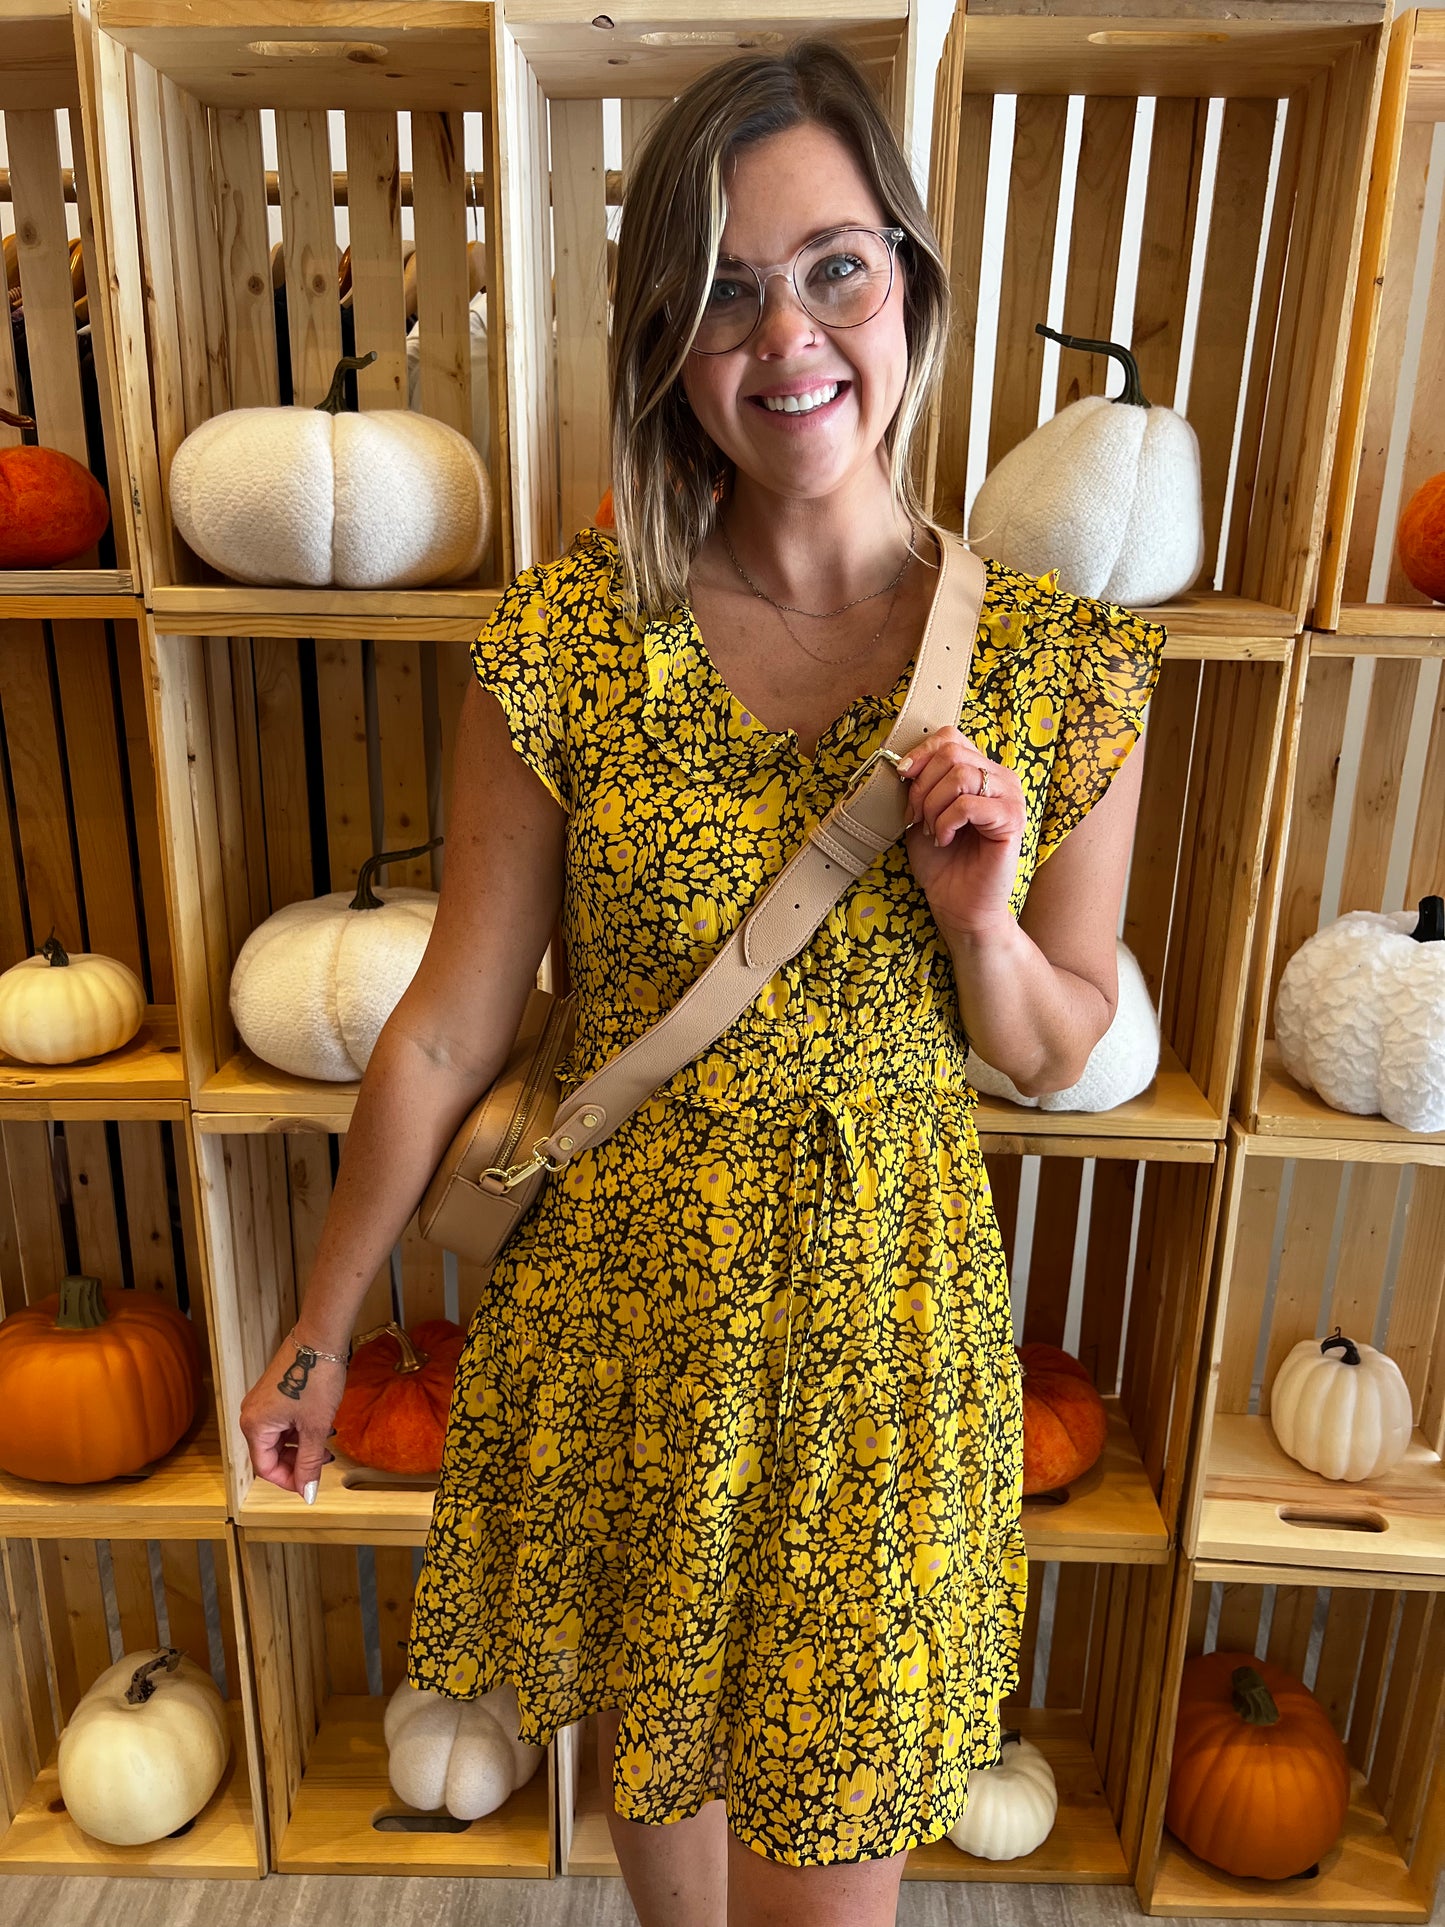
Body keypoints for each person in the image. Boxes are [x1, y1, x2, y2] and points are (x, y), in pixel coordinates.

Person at [240, 37, 1166, 1927]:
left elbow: (1068, 1037)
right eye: (724, 288)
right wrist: (321, 1330)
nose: (786, 332)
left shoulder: (1060, 670)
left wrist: (982, 922)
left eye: (831, 264)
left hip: (875, 1363)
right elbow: (447, 1021)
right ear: (669, 338)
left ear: (908, 278)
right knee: (669, 1872)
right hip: (624, 1339)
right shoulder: (575, 642)